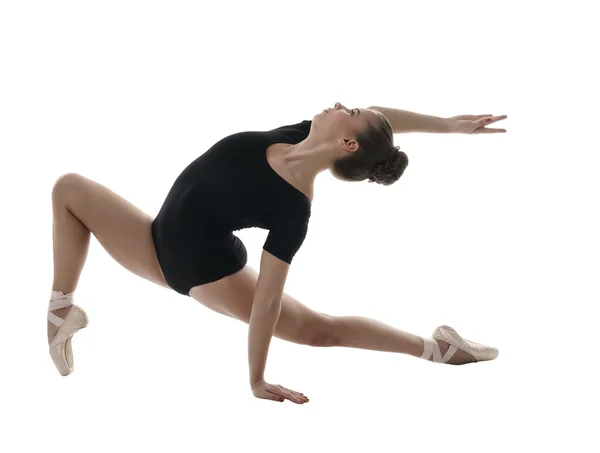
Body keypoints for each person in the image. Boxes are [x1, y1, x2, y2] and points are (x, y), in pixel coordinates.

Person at [47, 102, 507, 404]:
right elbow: (379, 124)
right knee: (69, 188)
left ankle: (436, 348)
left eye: (351, 111)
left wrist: (256, 378)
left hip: (198, 270)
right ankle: (62, 309)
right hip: (153, 234)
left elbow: (267, 298)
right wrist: (447, 126)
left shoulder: (293, 206)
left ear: (347, 143)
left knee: (317, 331)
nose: (341, 103)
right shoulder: (298, 134)